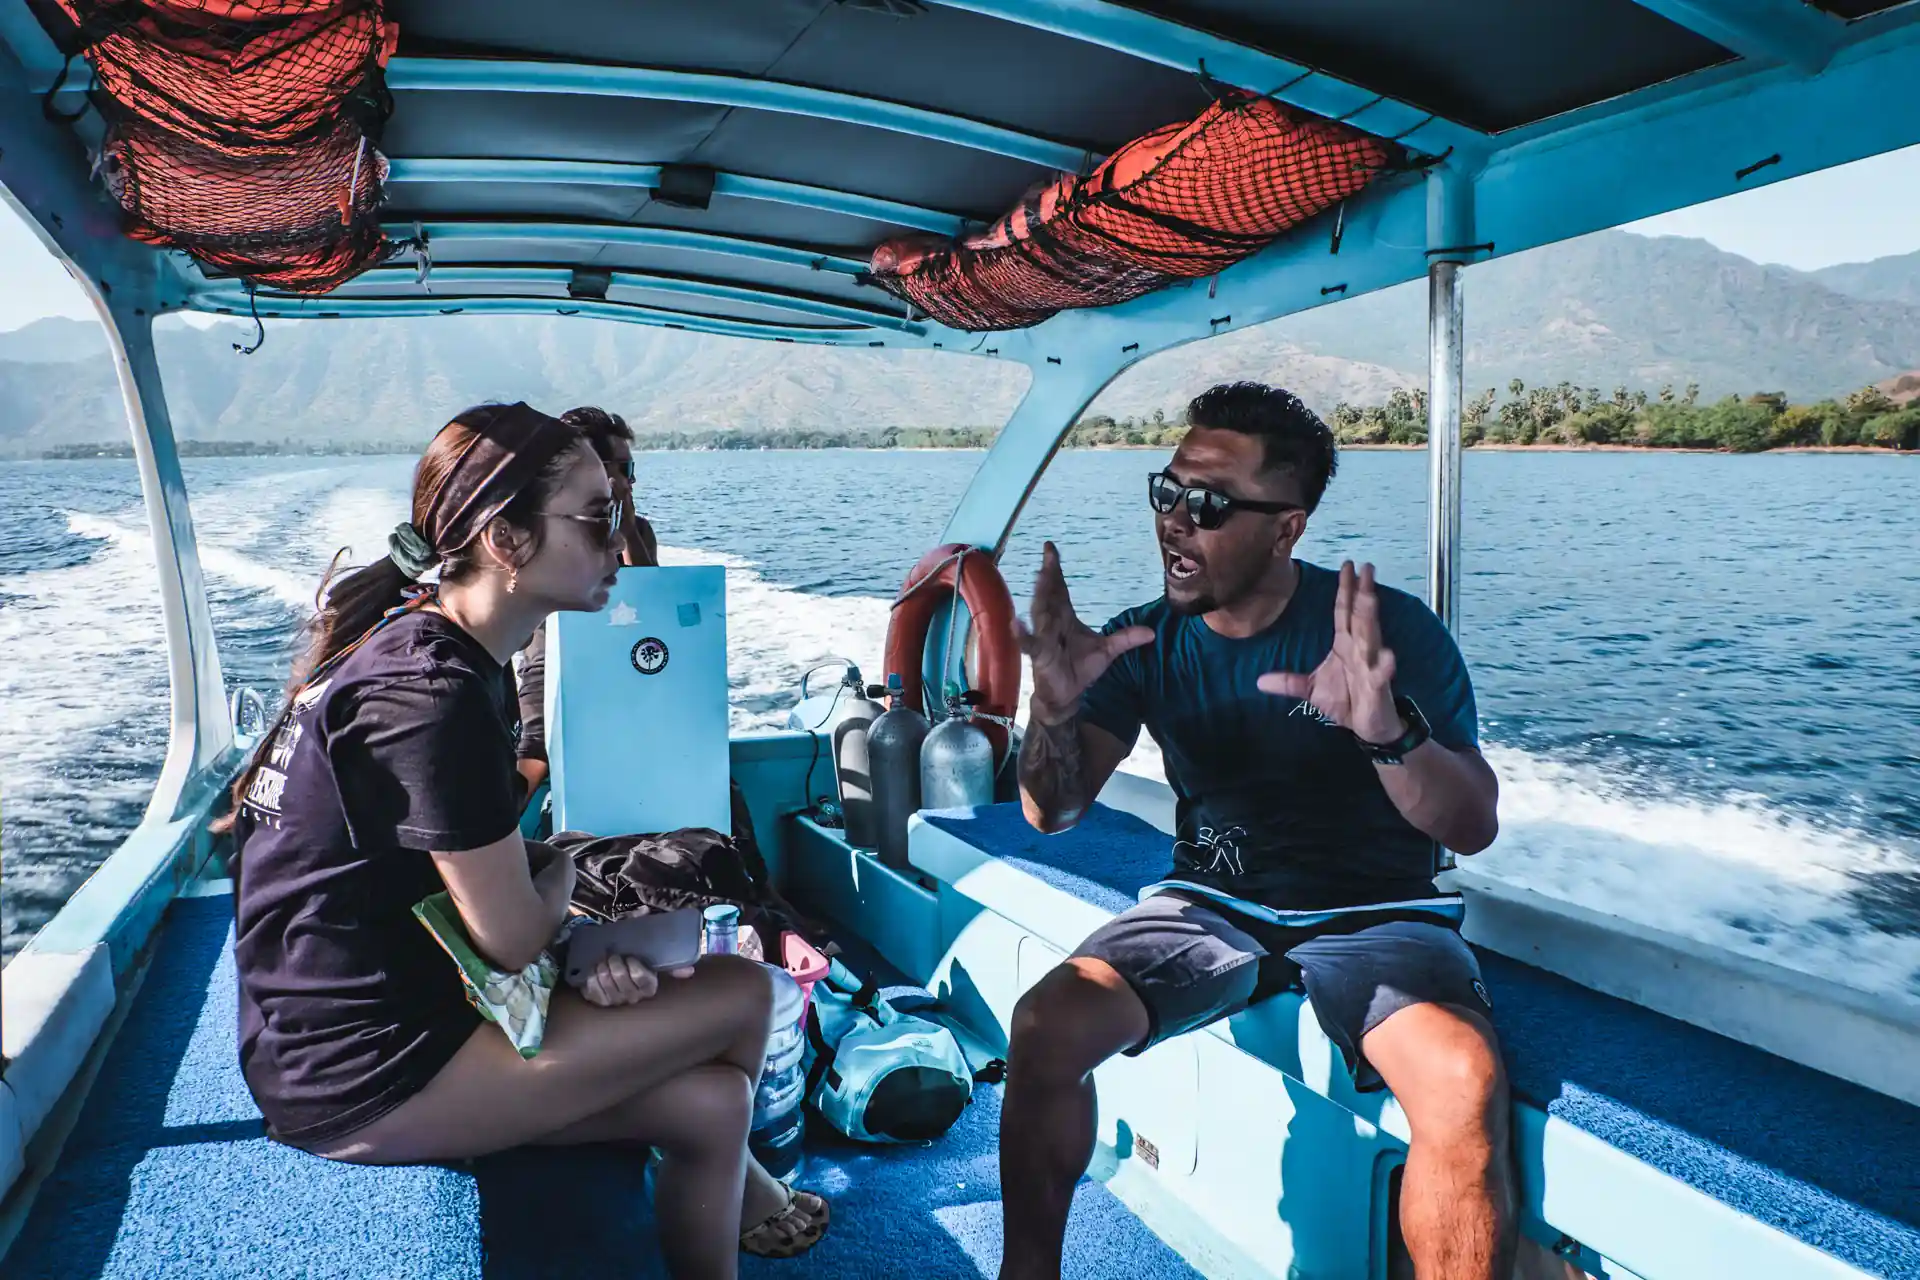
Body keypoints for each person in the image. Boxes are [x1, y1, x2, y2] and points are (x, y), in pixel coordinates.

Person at [226, 402, 826, 1275]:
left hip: (377, 1022)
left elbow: (479, 887)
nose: (620, 540)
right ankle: (750, 1202)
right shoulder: (432, 693)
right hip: (360, 1071)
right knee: (740, 993)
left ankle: (740, 1211)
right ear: (505, 542)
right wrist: (568, 865)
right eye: (596, 517)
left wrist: (550, 892)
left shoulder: (445, 656)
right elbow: (508, 936)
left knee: (711, 1105)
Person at [1000, 383, 1510, 1280]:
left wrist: (1387, 732)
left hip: (1377, 913)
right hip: (1211, 903)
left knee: (1462, 1082)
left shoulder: (1386, 636)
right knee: (1045, 1023)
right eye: (1167, 492)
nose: (1175, 523)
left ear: (1288, 527)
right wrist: (1051, 710)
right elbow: (1053, 809)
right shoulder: (1141, 641)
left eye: (1209, 505)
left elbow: (1471, 828)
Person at [512, 405, 657, 806]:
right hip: (553, 659)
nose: (632, 481)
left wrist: (625, 528)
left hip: (626, 662)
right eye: (624, 470)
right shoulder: (549, 531)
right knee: (536, 750)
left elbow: (657, 602)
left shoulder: (637, 532)